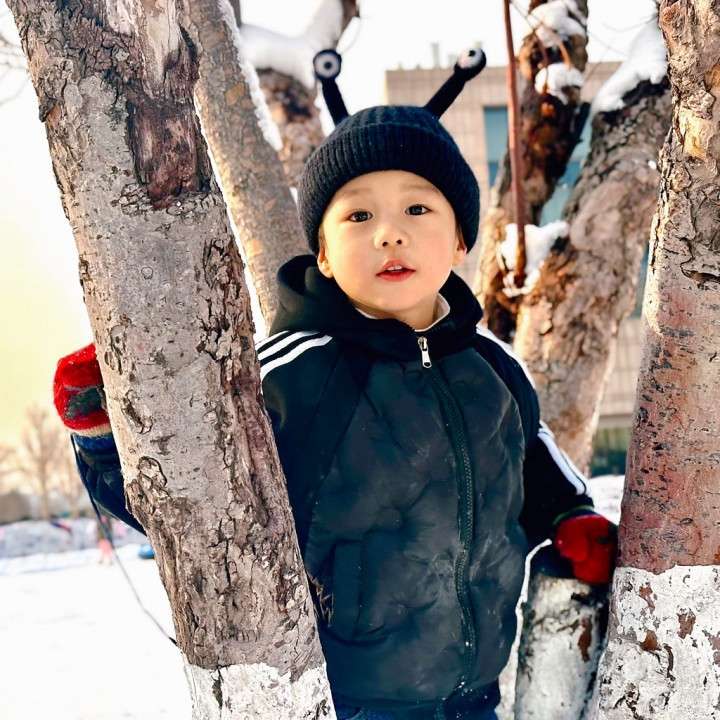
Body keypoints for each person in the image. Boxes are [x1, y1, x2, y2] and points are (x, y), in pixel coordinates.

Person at [52, 48, 616, 720]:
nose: (390, 234)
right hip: (347, 701)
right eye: (358, 217)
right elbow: (187, 504)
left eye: (418, 209)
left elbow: (534, 463)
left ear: (461, 240)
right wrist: (105, 436)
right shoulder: (291, 374)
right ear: (321, 251)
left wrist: (570, 519)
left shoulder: (492, 368)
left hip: (476, 696)